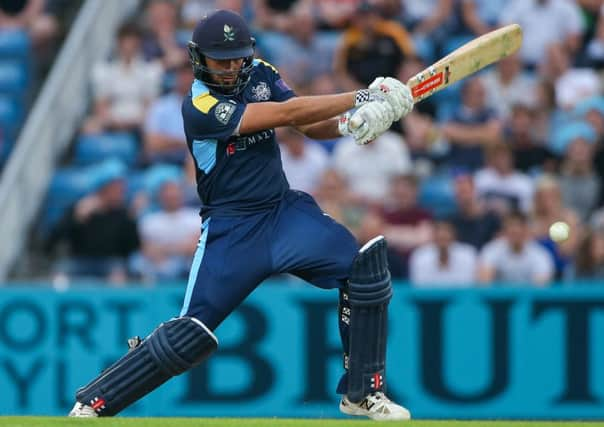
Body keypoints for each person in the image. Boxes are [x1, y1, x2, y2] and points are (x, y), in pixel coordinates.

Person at [69, 9, 414, 421]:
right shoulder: (198, 102)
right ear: (199, 58)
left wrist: (352, 124)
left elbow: (307, 123)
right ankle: (93, 401)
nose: (232, 67)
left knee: (363, 272)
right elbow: (286, 115)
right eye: (221, 59)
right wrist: (363, 96)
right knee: (188, 335)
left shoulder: (261, 73)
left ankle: (362, 393)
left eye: (237, 57)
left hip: (283, 213)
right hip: (231, 228)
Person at [478, 210, 554, 286]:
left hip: (530, 297)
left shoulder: (540, 254)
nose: (515, 230)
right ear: (504, 230)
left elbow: (541, 285)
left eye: (520, 227)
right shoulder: (492, 250)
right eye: (511, 227)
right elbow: (484, 282)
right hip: (497, 297)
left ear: (527, 230)